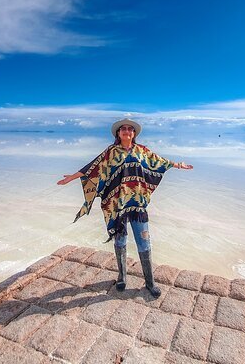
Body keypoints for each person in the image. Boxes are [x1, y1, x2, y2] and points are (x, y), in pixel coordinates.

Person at [57, 118, 193, 298]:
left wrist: (178, 165)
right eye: (123, 129)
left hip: (137, 205)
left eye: (130, 129)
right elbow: (93, 167)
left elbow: (159, 162)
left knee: (143, 242)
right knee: (120, 242)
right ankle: (122, 277)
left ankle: (150, 282)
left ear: (134, 134)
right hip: (117, 206)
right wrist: (72, 177)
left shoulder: (142, 151)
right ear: (118, 134)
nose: (127, 131)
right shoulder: (111, 152)